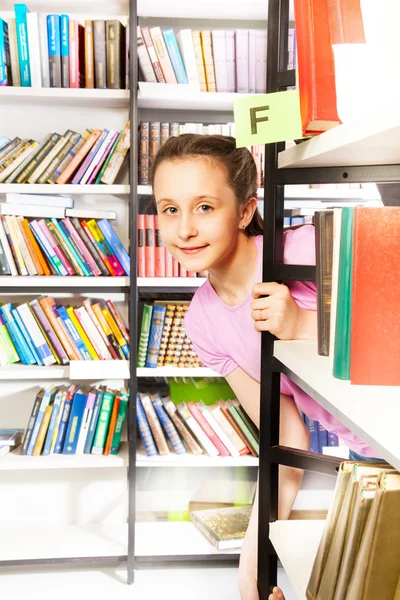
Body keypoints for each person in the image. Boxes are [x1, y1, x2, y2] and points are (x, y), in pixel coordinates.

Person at [151, 134, 379, 600]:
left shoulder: (306, 250)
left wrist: (302, 323)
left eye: (205, 207)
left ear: (245, 210)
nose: (184, 230)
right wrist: (251, 568)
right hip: (370, 454)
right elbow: (283, 437)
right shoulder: (203, 321)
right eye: (170, 209)